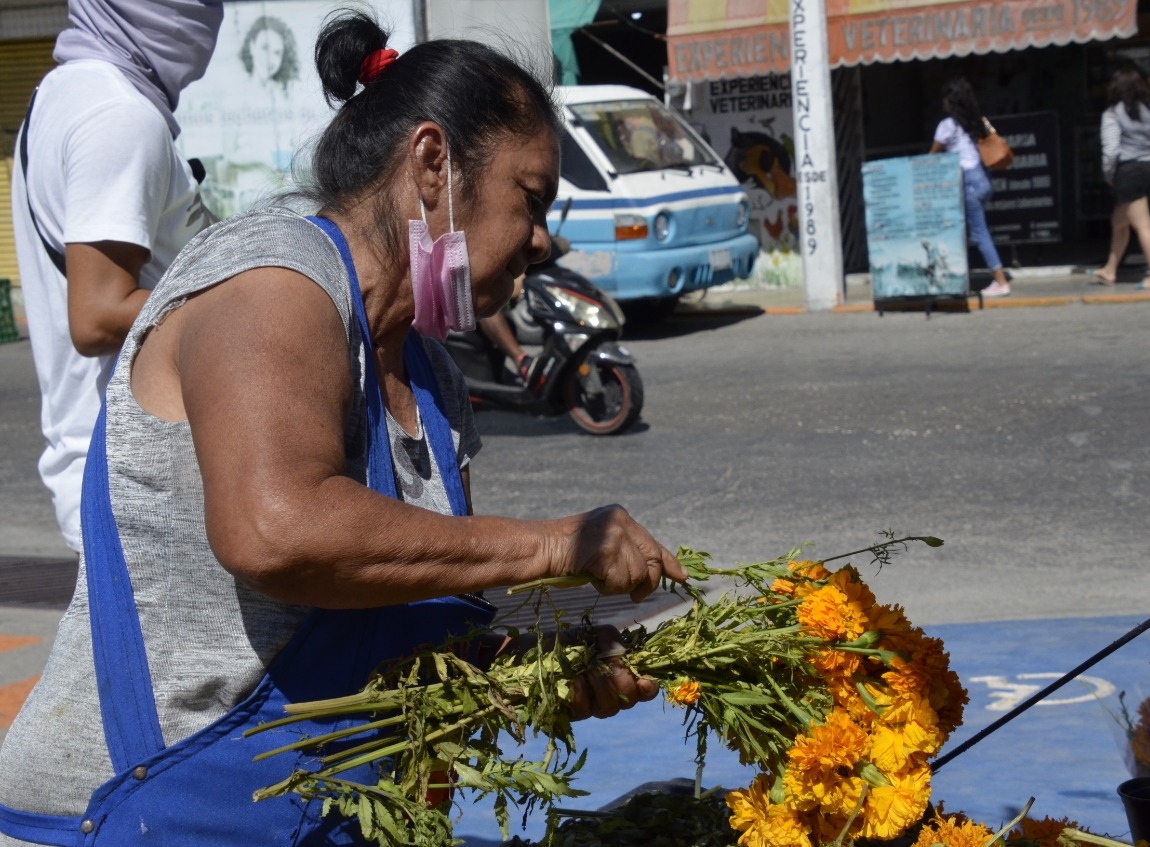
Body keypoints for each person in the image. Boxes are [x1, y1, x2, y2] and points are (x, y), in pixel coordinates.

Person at [0, 11, 686, 845]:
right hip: (134, 815)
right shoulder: (269, 280)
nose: (542, 241)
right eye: (530, 200)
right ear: (433, 163)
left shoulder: (429, 374)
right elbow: (275, 528)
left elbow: (394, 618)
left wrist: (542, 670)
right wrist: (554, 546)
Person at [11, 0, 221, 553]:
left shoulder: (66, 91)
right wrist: (248, 292)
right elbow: (98, 314)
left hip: (121, 482)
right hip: (141, 496)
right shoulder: (119, 117)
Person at [1093, 64, 1150, 290]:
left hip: (1127, 172)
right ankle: (1110, 269)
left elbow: (1111, 150)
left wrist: (1108, 175)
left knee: (1142, 224)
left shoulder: (1112, 114)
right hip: (1147, 169)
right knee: (1119, 222)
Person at [928, 77, 1012, 299]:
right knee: (964, 230)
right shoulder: (976, 123)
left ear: (950, 101)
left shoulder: (947, 126)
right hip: (983, 180)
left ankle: (1001, 282)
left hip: (968, 183)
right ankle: (957, 275)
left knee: (979, 233)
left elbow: (932, 156)